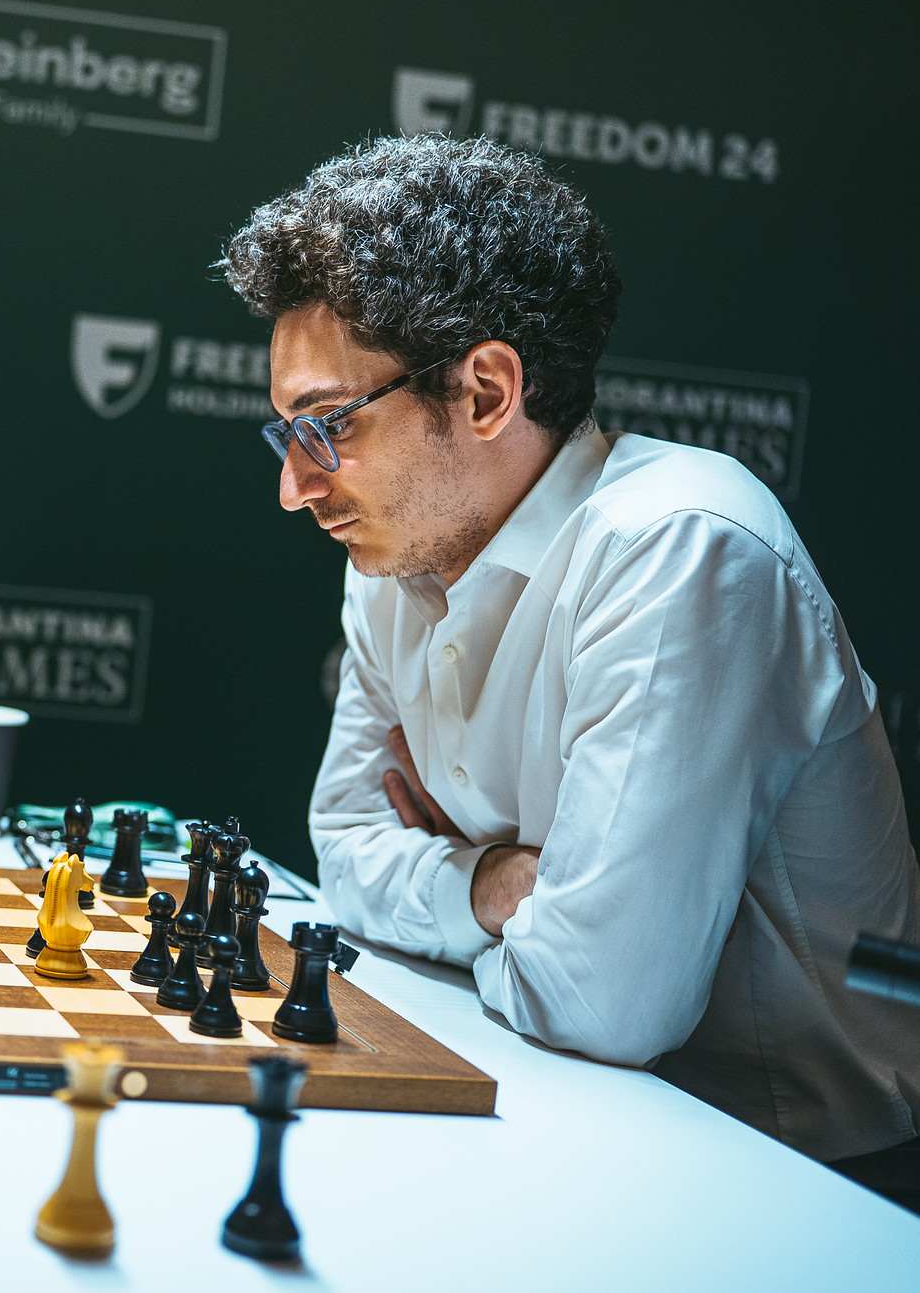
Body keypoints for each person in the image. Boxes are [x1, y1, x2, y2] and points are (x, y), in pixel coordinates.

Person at [223, 134, 919, 1202]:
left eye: (327, 427)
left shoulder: (678, 546)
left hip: (809, 1175)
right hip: (560, 1112)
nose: (295, 488)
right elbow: (345, 856)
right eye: (288, 437)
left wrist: (462, 896)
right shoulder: (392, 564)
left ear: (486, 391)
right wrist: (493, 883)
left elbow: (601, 1002)